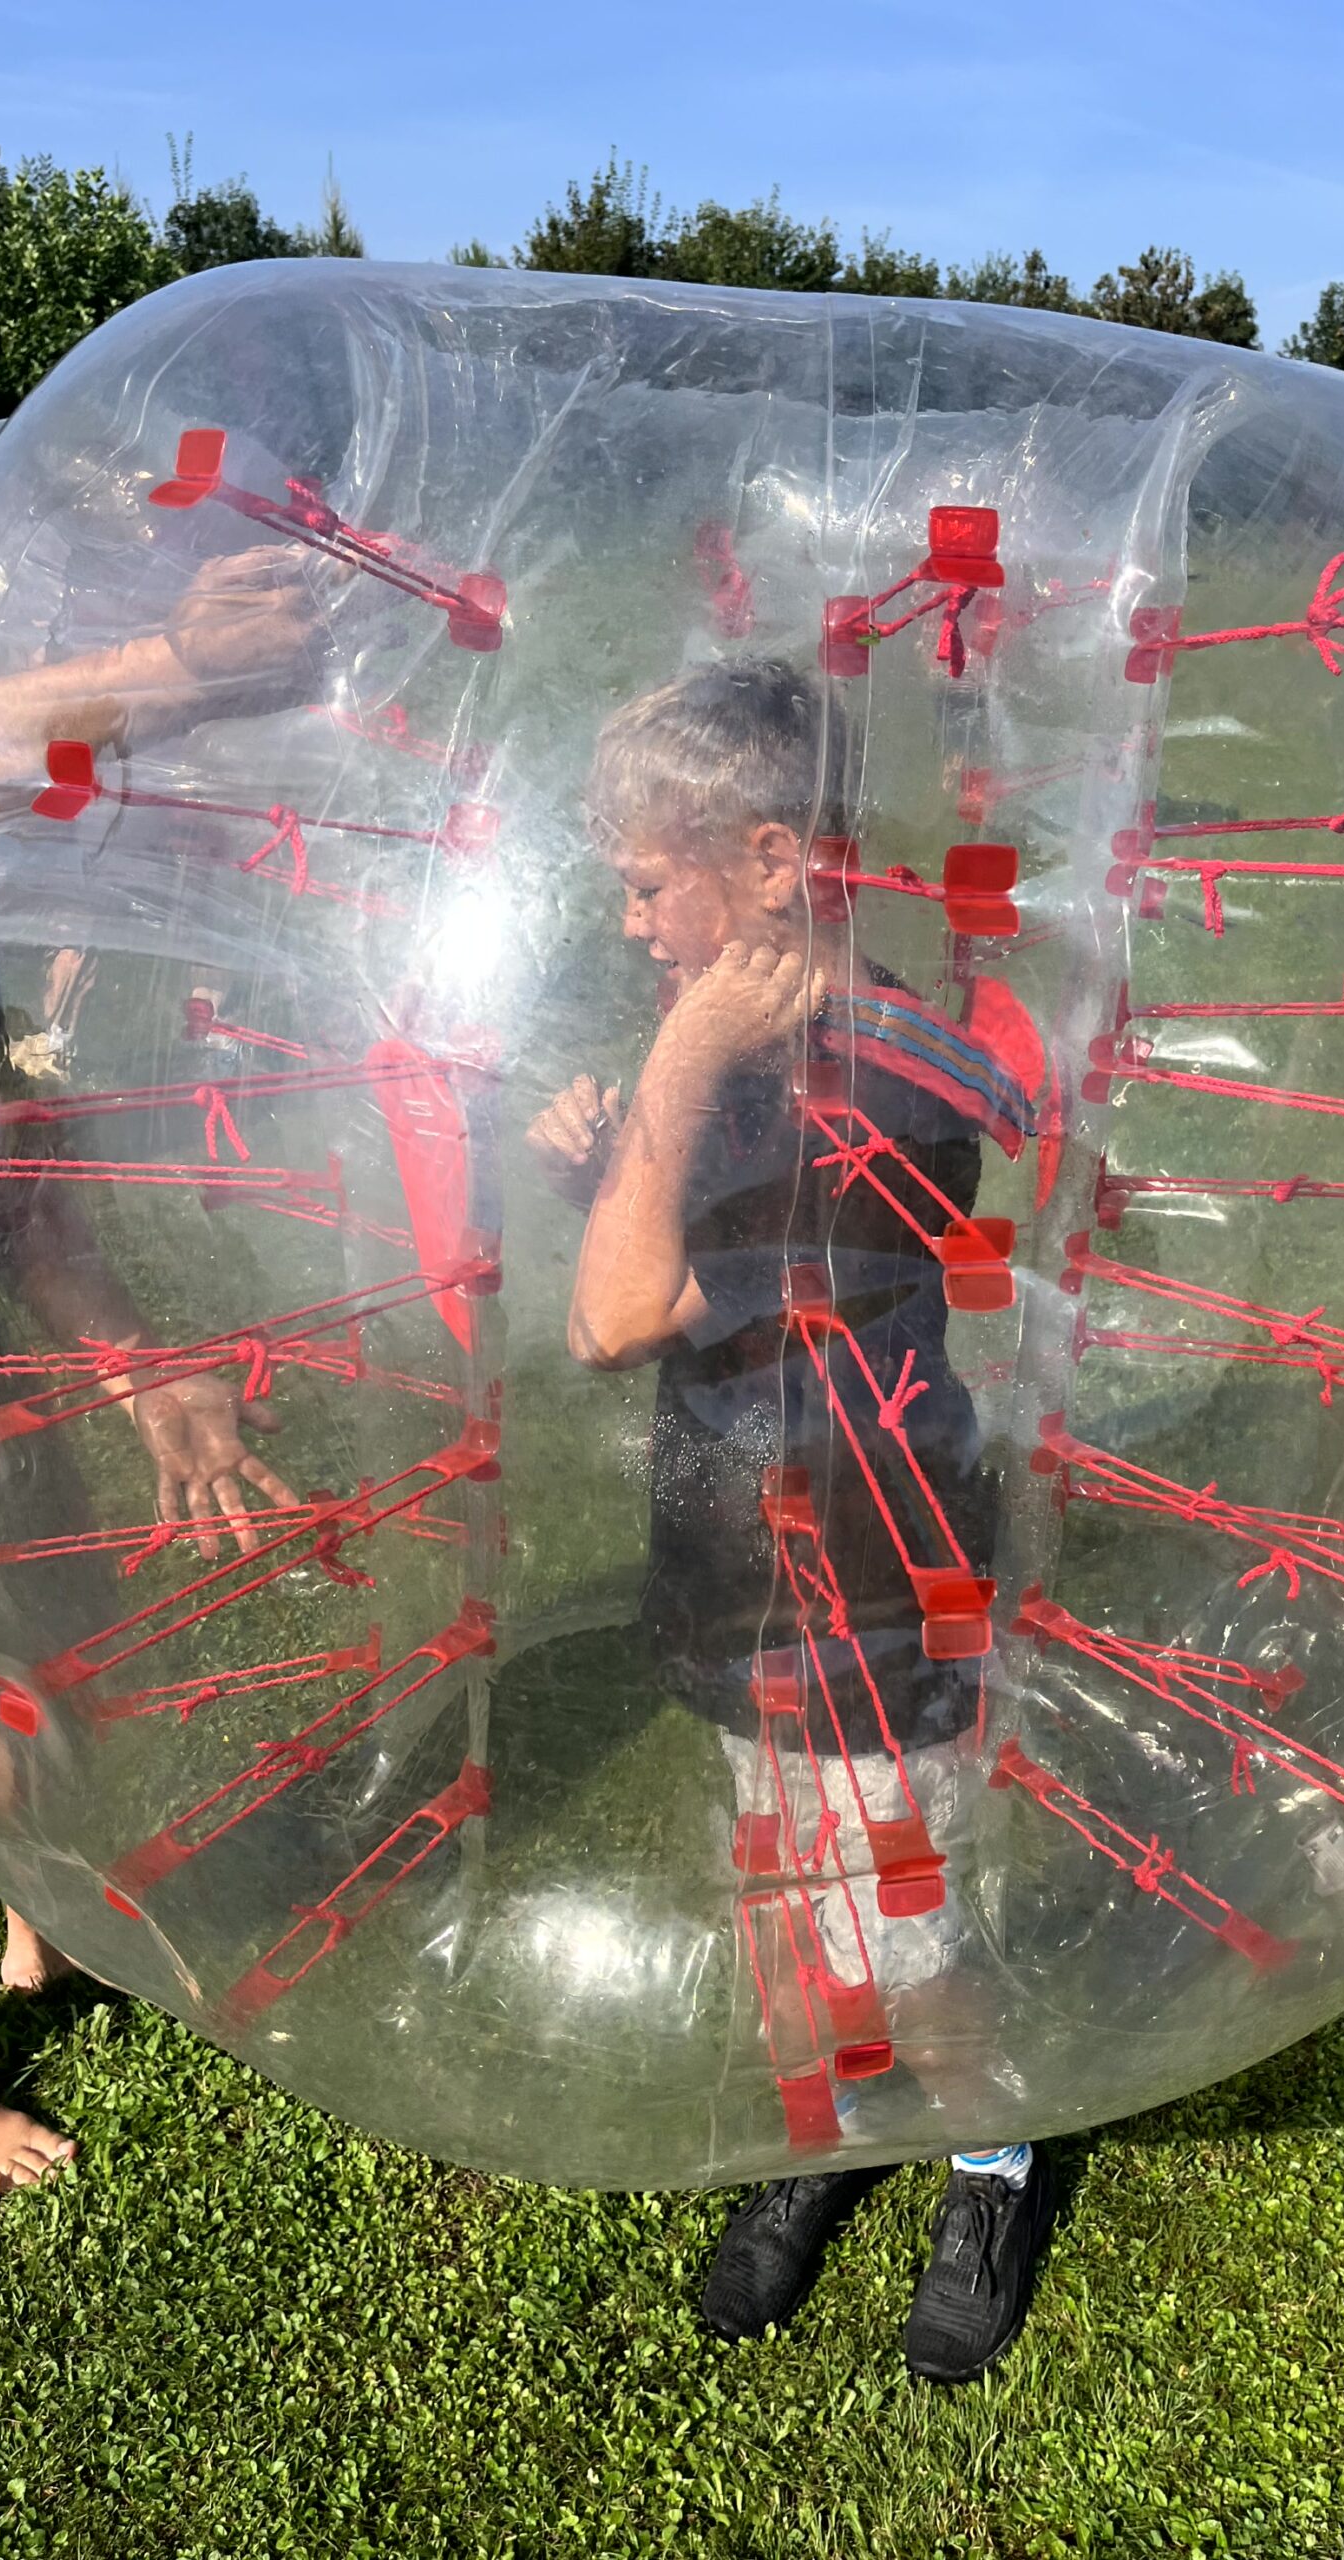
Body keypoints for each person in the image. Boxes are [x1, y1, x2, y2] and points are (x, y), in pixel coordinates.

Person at [526, 657, 1052, 2383]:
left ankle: (986, 2153)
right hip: (742, 1563)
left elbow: (611, 1316)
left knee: (907, 1933)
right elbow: (665, 1274)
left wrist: (665, 1089)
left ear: (767, 862)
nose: (626, 927)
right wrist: (614, 1151)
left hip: (872, 1588)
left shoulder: (865, 1080)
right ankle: (831, 2132)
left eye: (643, 882)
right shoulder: (754, 1053)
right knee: (784, 1900)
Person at [0, 542, 318, 2188]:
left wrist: (143, 1376)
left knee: (43, 1631)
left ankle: (35, 1922)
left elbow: (13, 1191)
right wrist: (179, 661)